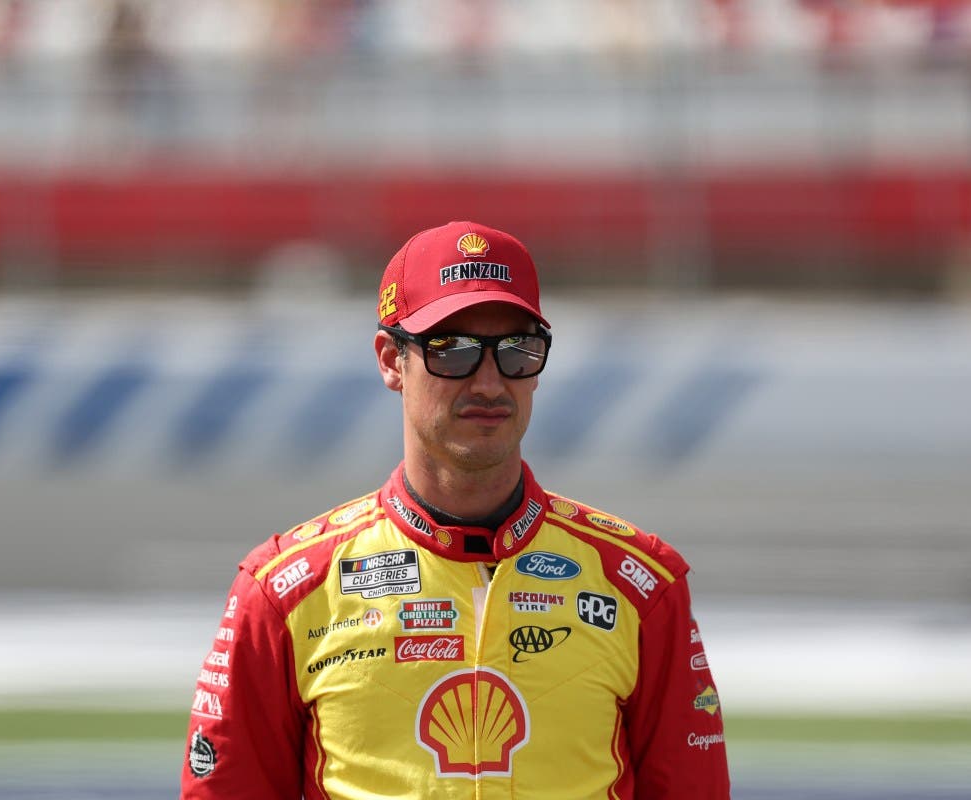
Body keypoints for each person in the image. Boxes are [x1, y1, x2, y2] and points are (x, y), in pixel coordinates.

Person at [179, 221, 730, 798]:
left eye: (517, 351)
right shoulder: (285, 591)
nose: (490, 383)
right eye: (453, 350)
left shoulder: (642, 585)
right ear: (391, 361)